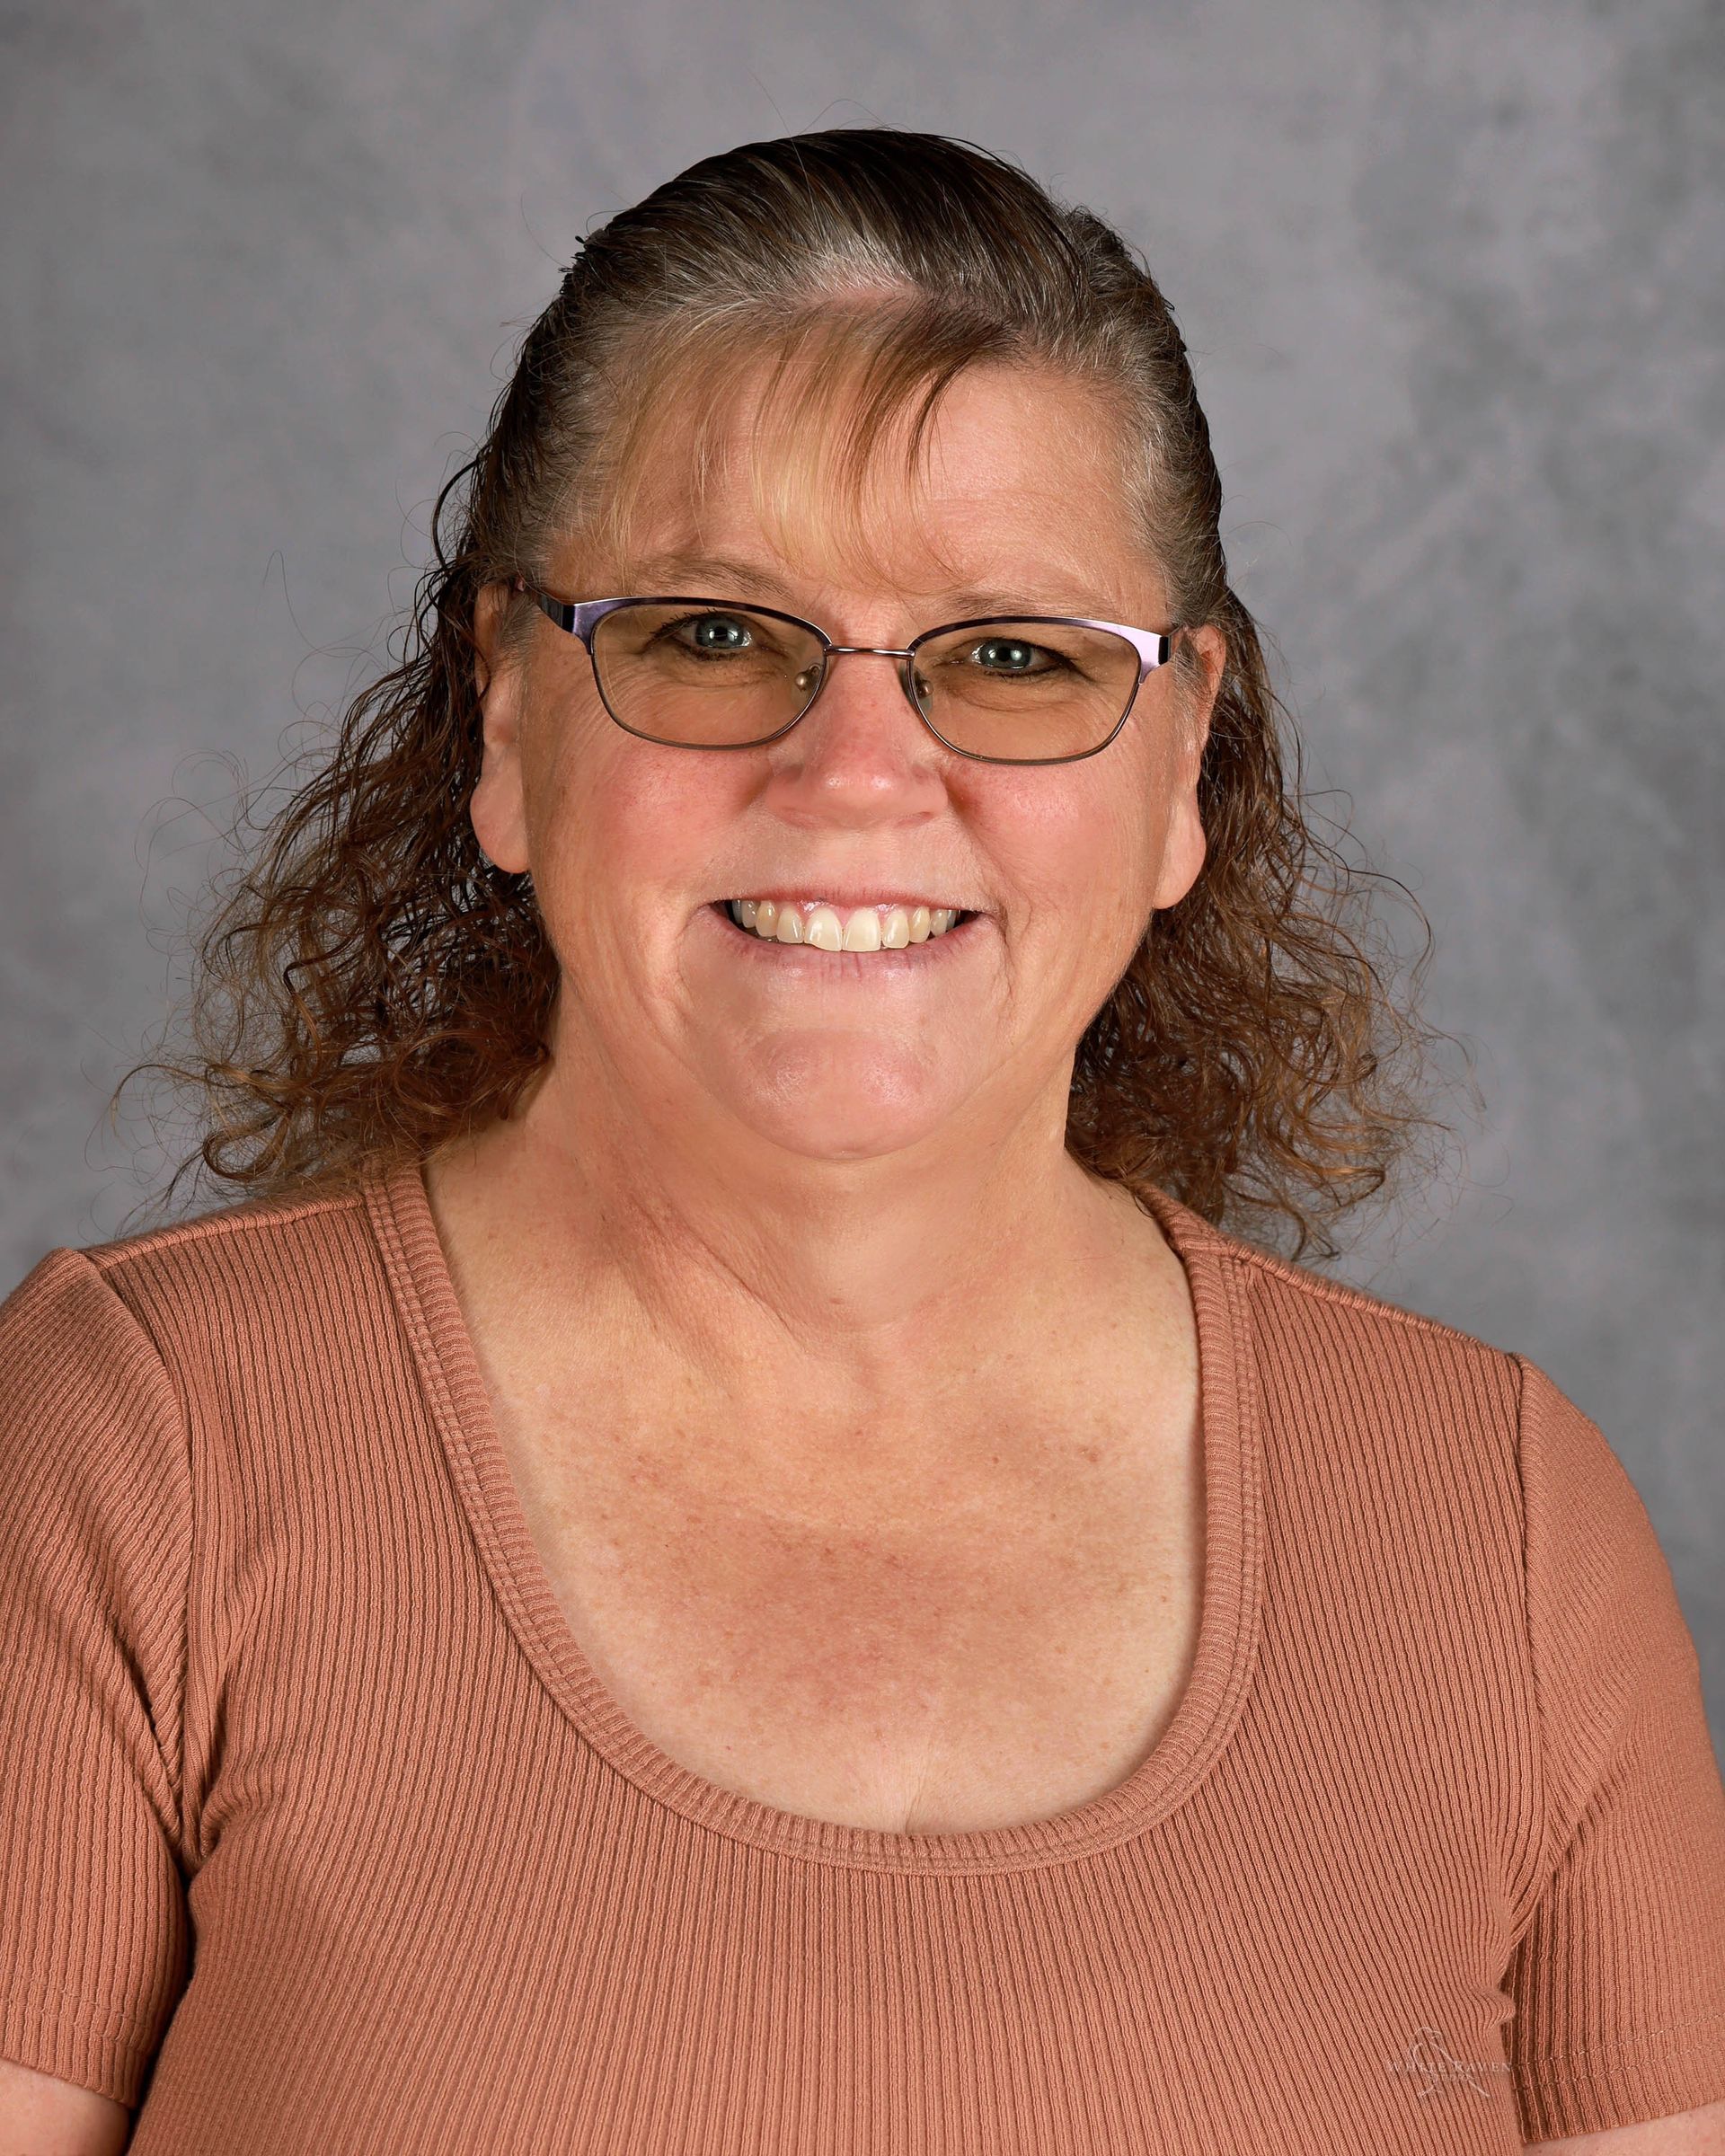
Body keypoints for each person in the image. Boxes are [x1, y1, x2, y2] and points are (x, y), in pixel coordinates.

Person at [1, 127, 1721, 2156]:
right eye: (715, 635)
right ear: (509, 720)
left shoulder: (1499, 1532)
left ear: (1185, 755)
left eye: (1014, 658)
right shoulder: (137, 1456)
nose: (858, 776)